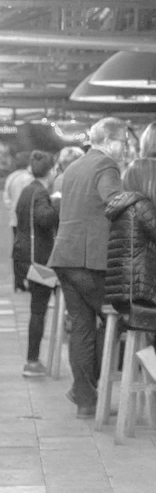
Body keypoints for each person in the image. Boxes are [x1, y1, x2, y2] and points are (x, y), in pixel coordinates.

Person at [49, 117, 130, 418]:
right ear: (109, 140)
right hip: (91, 259)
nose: (125, 147)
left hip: (65, 256)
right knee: (118, 318)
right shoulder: (106, 166)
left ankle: (85, 398)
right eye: (123, 140)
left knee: (82, 325)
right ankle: (87, 389)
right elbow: (114, 201)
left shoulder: (74, 166)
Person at [104, 158, 156, 331]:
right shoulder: (143, 206)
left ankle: (146, 356)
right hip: (142, 294)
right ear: (147, 179)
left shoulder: (126, 205)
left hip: (123, 293)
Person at [13, 151, 59, 377]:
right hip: (38, 260)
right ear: (51, 172)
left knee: (36, 308)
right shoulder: (41, 192)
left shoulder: (27, 190)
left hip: (23, 256)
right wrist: (58, 203)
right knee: (39, 310)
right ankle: (32, 361)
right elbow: (45, 219)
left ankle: (33, 360)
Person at [5, 152, 34, 290]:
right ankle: (30, 279)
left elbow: (7, 199)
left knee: (17, 250)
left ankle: (18, 280)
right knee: (29, 251)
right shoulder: (29, 178)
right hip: (26, 219)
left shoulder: (11, 177)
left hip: (14, 219)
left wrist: (12, 209)